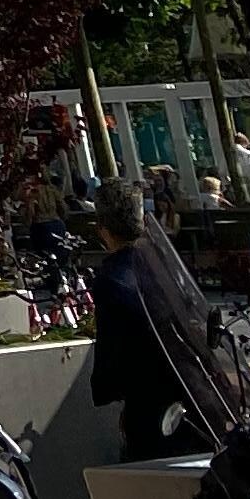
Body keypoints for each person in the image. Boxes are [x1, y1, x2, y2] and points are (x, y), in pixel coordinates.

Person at [89, 189, 204, 463]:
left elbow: (112, 349)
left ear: (103, 230)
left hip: (148, 395)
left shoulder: (111, 279)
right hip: (190, 387)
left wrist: (104, 387)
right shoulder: (162, 264)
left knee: (147, 469)